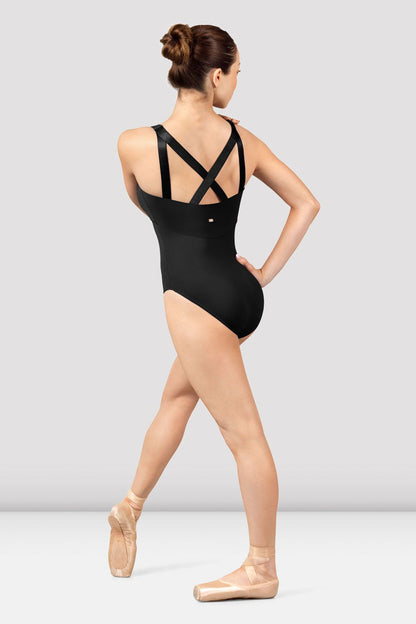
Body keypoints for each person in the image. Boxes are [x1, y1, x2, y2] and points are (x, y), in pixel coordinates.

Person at [107, 23, 320, 601]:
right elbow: (306, 203)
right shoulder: (245, 143)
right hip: (240, 297)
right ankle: (128, 509)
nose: (238, 83)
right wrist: (263, 274)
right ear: (217, 75)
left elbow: (145, 205)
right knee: (177, 399)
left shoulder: (132, 144)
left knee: (244, 435)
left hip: (193, 302)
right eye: (238, 73)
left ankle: (261, 569)